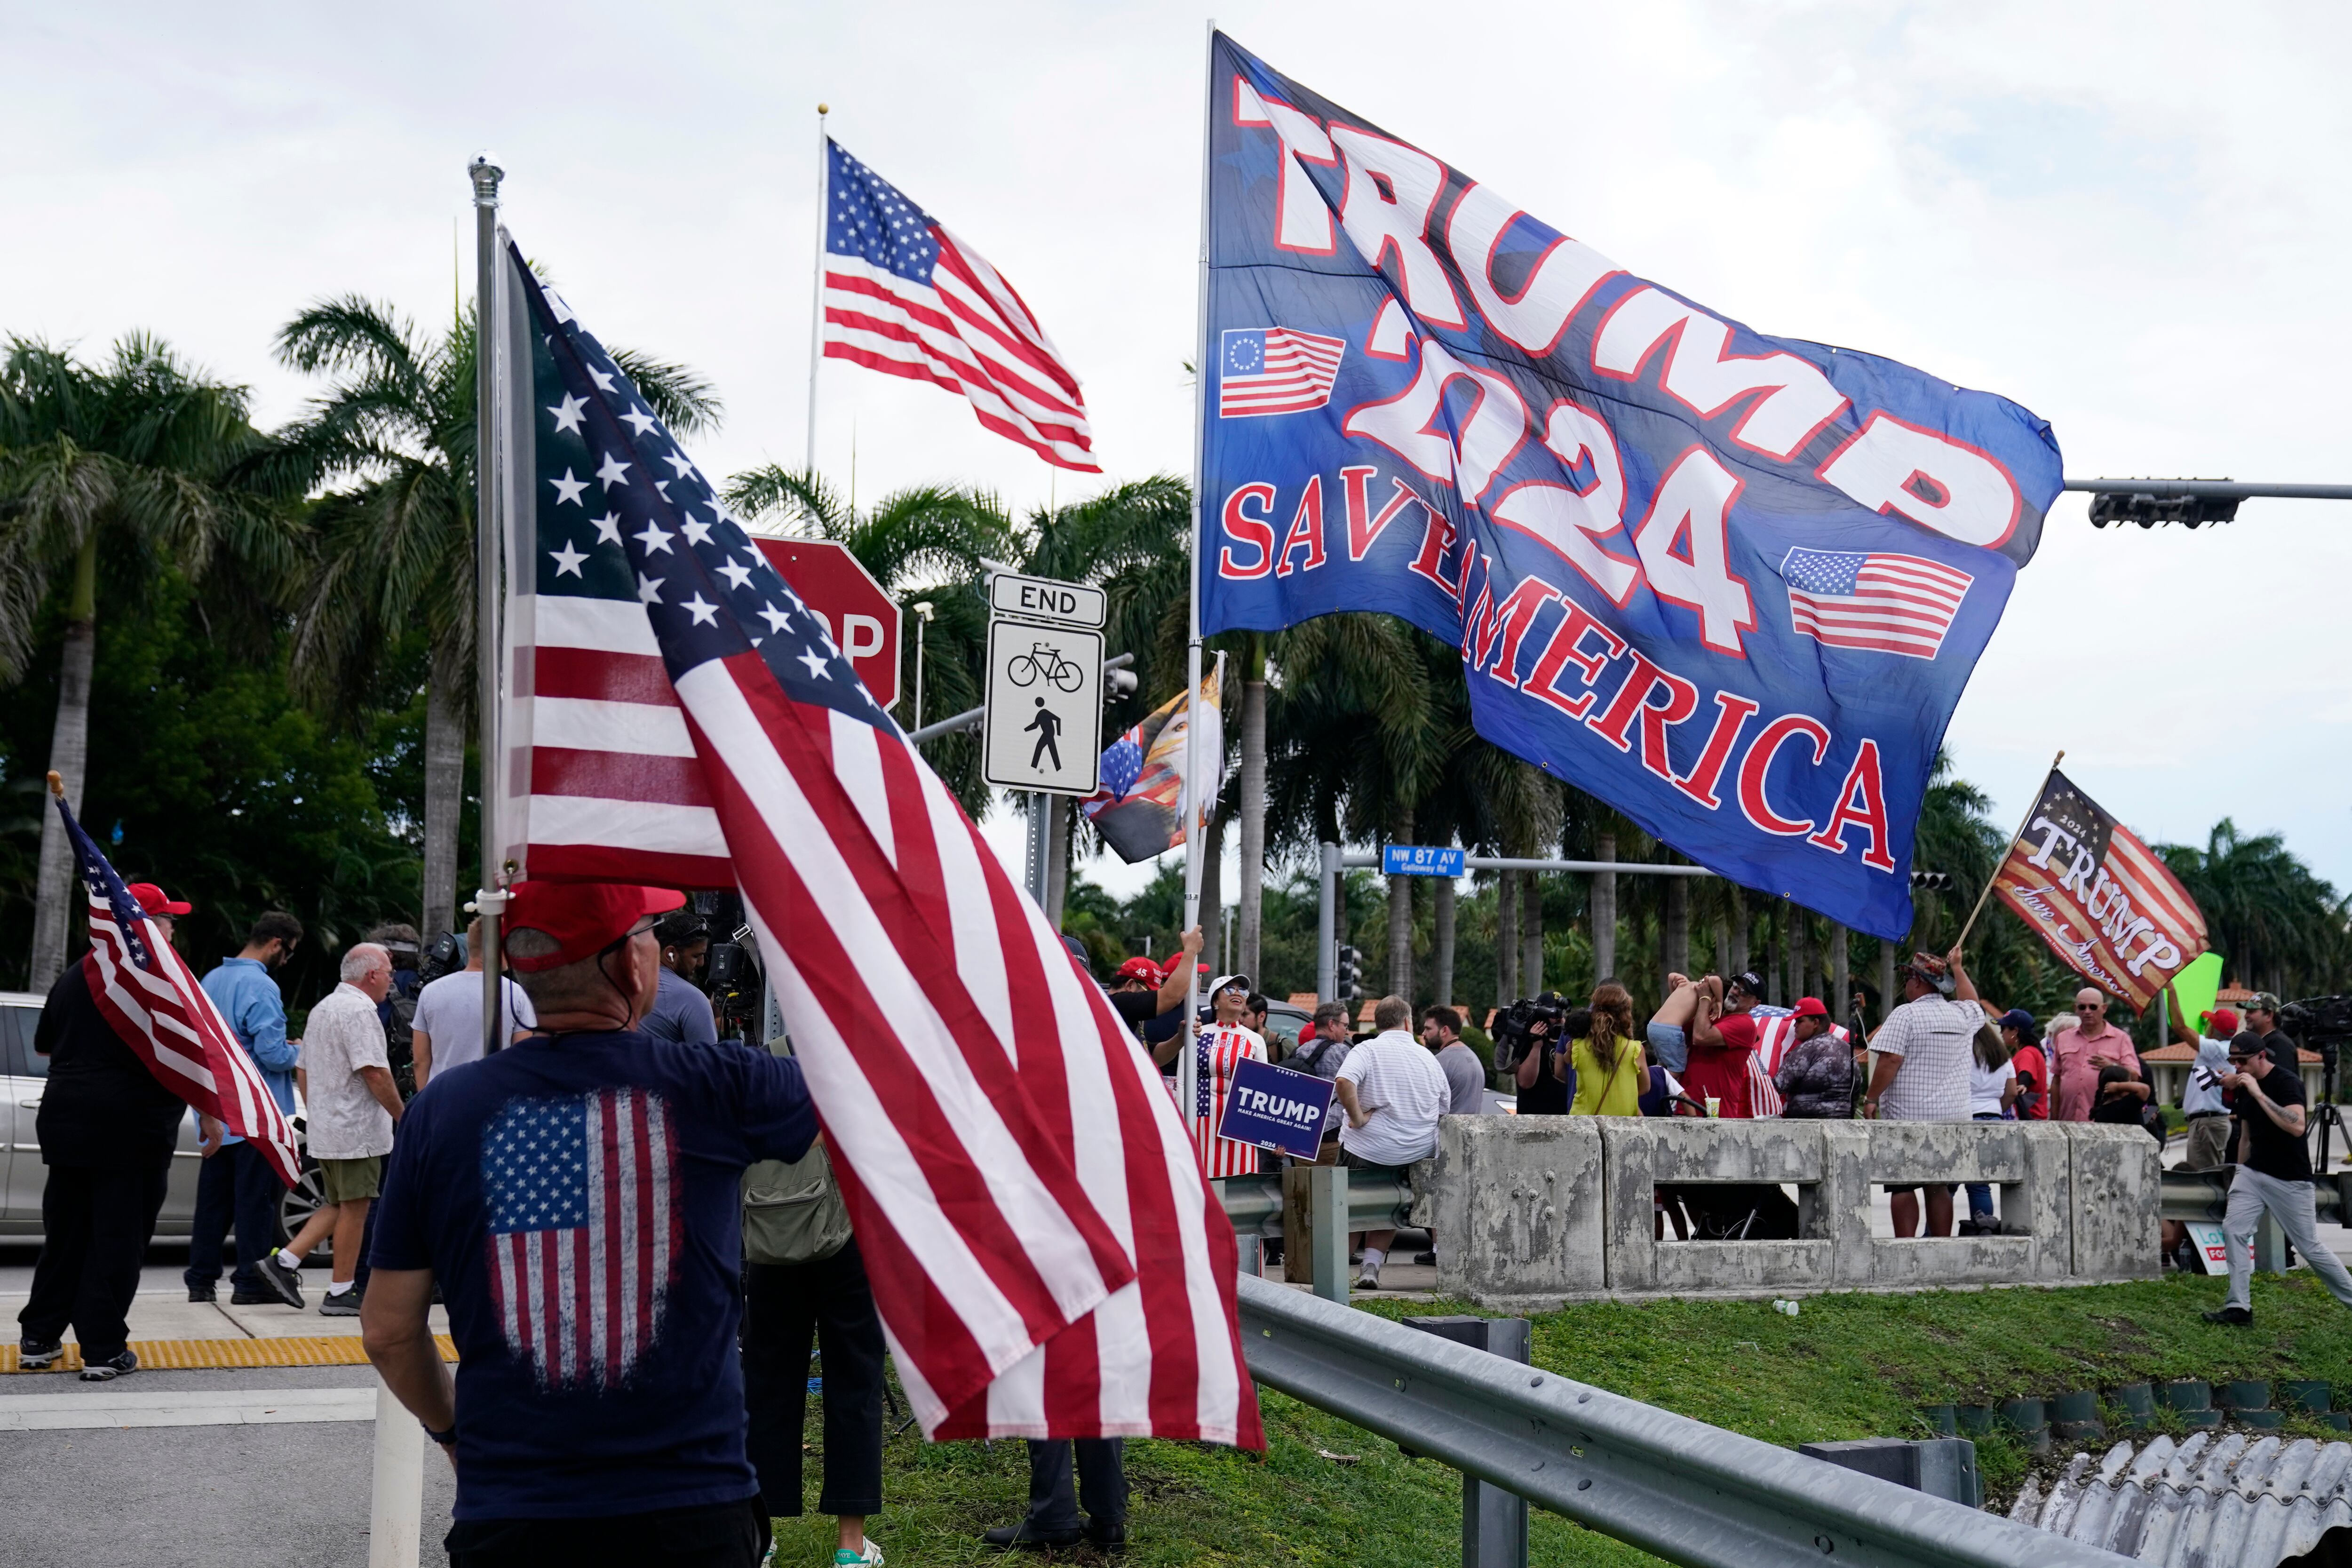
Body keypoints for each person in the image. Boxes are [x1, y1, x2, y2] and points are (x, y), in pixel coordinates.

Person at [361, 880, 818, 1568]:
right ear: (632, 965)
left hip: (512, 1514)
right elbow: (860, 1084)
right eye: (649, 937)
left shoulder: (441, 1113)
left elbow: (389, 1331)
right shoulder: (718, 1086)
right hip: (690, 1512)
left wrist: (452, 1430)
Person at [15, 882, 208, 1381]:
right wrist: (210, 1112)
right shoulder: (157, 981)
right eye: (167, 919)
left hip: (66, 1121)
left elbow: (46, 1047)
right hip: (131, 1128)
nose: (172, 928)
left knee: (66, 1232)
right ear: (143, 924)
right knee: (116, 1238)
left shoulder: (74, 976)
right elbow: (190, 1057)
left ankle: (39, 1336)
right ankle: (102, 1349)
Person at [740, 1126, 886, 1567]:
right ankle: (851, 1546)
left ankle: (760, 1539)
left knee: (767, 1385)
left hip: (772, 1221)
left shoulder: (754, 1058)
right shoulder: (852, 1056)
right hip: (851, 1222)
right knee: (856, 1377)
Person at [258, 944, 403, 1316]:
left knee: (338, 1203)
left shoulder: (325, 1007)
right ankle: (341, 1291)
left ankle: (285, 1262)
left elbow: (302, 1067)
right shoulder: (360, 1011)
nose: (391, 978)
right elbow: (375, 1071)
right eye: (388, 971)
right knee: (356, 1207)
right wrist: (404, 1115)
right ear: (372, 975)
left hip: (329, 1128)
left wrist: (320, 1112)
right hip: (356, 1131)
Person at [187, 911, 304, 1307]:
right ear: (276, 944)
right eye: (287, 953)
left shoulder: (210, 980)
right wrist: (301, 1050)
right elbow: (272, 1055)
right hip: (255, 1112)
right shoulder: (261, 985)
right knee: (255, 1203)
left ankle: (201, 1281)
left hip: (216, 1110)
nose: (286, 961)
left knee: (213, 1204)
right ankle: (250, 1283)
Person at [2202, 1030, 2352, 1326]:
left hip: (2289, 1178)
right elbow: (2245, 1136)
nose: (2238, 1067)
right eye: (2233, 1061)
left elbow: (2296, 1127)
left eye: (2242, 1060)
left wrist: (2258, 1093)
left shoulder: (2286, 1083)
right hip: (2253, 1172)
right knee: (2234, 1230)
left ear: (2261, 1056)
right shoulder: (2244, 1085)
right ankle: (2239, 1308)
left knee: (2310, 1247)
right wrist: (2240, 1171)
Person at [1862, 950, 1982, 1239]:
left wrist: (1871, 1098)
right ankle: (1941, 1246)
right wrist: (1958, 967)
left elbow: (1891, 1060)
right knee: (1939, 1186)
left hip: (1909, 1116)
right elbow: (1974, 1003)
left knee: (1902, 1185)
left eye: (1907, 978)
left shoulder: (1906, 1013)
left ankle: (1906, 1248)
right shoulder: (1962, 1014)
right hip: (1953, 1117)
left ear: (1917, 980)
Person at [1333, 995, 1449, 1291]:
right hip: (1415, 1154)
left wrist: (1358, 1118)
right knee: (1390, 1209)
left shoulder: (1367, 1049)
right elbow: (1444, 1108)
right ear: (1408, 1022)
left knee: (1348, 1209)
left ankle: (1334, 1269)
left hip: (1366, 1148)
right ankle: (1371, 1265)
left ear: (1377, 1023)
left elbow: (1344, 1082)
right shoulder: (1428, 1058)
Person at [411, 915, 537, 1087]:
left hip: (442, 1096)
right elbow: (521, 1058)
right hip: (494, 1096)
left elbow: (420, 1061)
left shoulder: (431, 992)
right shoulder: (515, 994)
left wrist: (425, 1100)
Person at [1187, 974, 1268, 1179]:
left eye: (1243, 991)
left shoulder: (1256, 1040)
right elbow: (1183, 1081)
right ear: (1215, 1001)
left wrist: (1270, 1134)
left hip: (1241, 1125)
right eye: (1230, 990)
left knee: (1240, 1187)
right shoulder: (1197, 1034)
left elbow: (1265, 1090)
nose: (1238, 994)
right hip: (1201, 1121)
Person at [2048, 988, 2146, 1122]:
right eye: (2082, 1007)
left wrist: (2112, 1067)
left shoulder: (2121, 1039)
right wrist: (2054, 1118)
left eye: (2093, 1007)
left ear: (2104, 1008)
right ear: (2075, 1009)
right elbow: (2057, 1080)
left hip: (2105, 1120)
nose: (2087, 1012)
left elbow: (2135, 1077)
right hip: (2068, 1119)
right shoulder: (2063, 1038)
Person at [1959, 1020, 2020, 1235]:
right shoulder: (2002, 1055)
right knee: (1980, 1183)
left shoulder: (1962, 1053)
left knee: (1944, 1185)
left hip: (1964, 1116)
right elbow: (2012, 1091)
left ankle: (1935, 1233)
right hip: (1994, 1118)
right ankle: (1985, 1229)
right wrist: (1995, 1110)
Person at [1683, 972, 1762, 1120]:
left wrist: (1705, 998)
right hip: (1687, 1104)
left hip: (1715, 1112)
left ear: (1755, 1003)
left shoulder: (1745, 1024)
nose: (1736, 992)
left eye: (1744, 992)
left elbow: (1700, 1036)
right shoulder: (1714, 1013)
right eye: (1736, 987)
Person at [643, 907, 720, 1045]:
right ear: (670, 954)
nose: (701, 963)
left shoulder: (632, 984)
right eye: (696, 956)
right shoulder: (692, 998)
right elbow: (709, 1064)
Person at [1567, 983, 1645, 1117]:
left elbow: (1563, 1064)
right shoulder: (1635, 1049)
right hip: (1622, 1123)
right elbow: (1644, 1088)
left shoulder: (1577, 1046)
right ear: (1625, 1014)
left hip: (1583, 1122)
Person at [1291, 1002, 1355, 1159]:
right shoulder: (1342, 1052)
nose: (1346, 1032)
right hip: (1332, 1135)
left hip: (1301, 1136)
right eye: (1345, 1026)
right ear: (1332, 1025)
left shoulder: (1299, 1051)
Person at [1772, 998, 1851, 1120]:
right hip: (1844, 1121)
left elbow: (1776, 1086)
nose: (1795, 1025)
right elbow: (1856, 1088)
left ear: (1815, 1023)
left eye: (1799, 1021)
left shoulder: (1805, 1050)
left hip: (1808, 1126)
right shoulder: (1847, 1049)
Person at [1419, 1006, 1486, 1115]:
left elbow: (1425, 1106)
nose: (1424, 1033)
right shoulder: (1474, 1058)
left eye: (1429, 1029)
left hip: (1448, 1130)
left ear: (1444, 1031)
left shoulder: (1440, 1063)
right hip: (1472, 1129)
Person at [1510, 998, 1571, 1115]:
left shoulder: (1567, 1041)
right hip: (1534, 1119)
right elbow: (1525, 1083)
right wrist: (1536, 1046)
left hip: (1564, 1119)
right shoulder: (1528, 1042)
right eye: (1554, 1014)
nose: (1560, 1019)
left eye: (1562, 1014)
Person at [1646, 972, 1706, 1073]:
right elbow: (1715, 981)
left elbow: (1671, 976)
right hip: (1669, 1031)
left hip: (1652, 1026)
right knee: (1677, 1068)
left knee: (1662, 1063)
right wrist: (1719, 1002)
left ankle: (1648, 1079)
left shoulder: (1684, 985)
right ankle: (1654, 1086)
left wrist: (1673, 992)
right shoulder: (1701, 992)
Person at [2000, 1009, 2050, 1122]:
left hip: (2027, 1118)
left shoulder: (2027, 1053)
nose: (2001, 1033)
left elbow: (2026, 1073)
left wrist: (2023, 1084)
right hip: (2033, 1118)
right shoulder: (2031, 1051)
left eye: (2003, 1029)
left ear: (2015, 1031)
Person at [2243, 992, 2298, 1076]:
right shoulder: (2262, 1042)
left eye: (2252, 1011)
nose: (2246, 1016)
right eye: (2247, 1011)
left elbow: (2283, 1082)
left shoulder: (2281, 1044)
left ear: (2269, 1016)